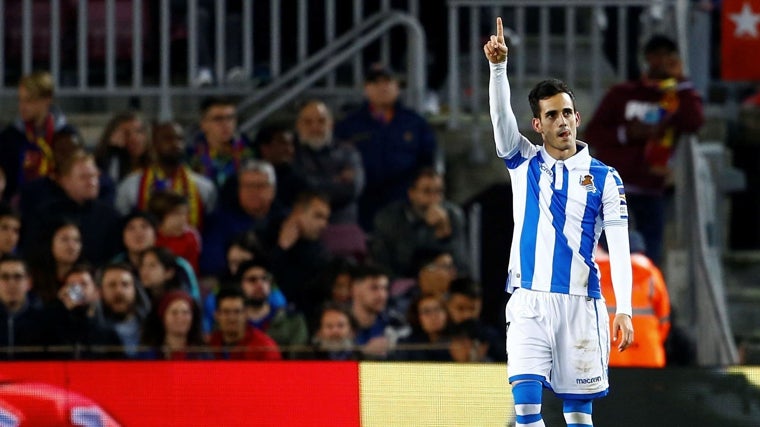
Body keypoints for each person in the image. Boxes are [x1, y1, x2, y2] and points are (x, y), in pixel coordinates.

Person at [484, 17, 633, 426]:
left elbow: (620, 247)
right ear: (538, 124)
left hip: (582, 305)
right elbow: (500, 123)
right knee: (526, 403)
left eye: (567, 112)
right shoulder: (524, 163)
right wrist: (499, 69)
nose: (562, 121)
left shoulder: (604, 177)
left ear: (577, 117)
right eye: (552, 115)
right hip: (530, 300)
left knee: (578, 416)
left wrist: (625, 308)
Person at [584, 34, 704, 266]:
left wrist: (682, 82)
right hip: (616, 186)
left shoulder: (676, 99)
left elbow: (694, 122)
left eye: (669, 55)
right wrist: (626, 134)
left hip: (652, 187)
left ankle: (644, 298)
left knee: (650, 254)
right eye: (657, 55)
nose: (663, 61)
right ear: (648, 58)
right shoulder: (623, 93)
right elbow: (593, 134)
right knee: (608, 251)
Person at [334, 64, 438, 231]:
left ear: (397, 87)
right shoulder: (349, 125)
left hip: (405, 202)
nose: (382, 87)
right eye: (375, 82)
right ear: (366, 88)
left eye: (387, 81)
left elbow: (428, 160)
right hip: (363, 203)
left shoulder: (415, 123)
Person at [115, 121, 217, 230]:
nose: (176, 144)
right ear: (154, 144)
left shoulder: (204, 186)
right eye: (168, 139)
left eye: (180, 139)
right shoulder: (131, 185)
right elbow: (122, 225)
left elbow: (211, 228)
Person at [371, 167, 469, 278]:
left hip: (443, 284)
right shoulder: (388, 218)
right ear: (411, 193)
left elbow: (461, 267)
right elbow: (387, 266)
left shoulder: (453, 215)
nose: (434, 199)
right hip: (402, 283)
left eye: (439, 192)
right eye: (427, 192)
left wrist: (444, 232)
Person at [0, 70, 78, 203]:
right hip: (18, 208)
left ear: (47, 100)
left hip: (58, 206)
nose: (22, 107)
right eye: (20, 100)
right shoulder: (10, 136)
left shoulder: (66, 135)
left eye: (29, 100)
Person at [200, 159, 288, 277]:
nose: (253, 192)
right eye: (247, 186)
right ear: (239, 189)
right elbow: (210, 264)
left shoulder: (286, 219)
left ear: (272, 190)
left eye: (260, 186)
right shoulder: (220, 220)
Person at [597, 230, 671, 368]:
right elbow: (664, 321)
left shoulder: (589, 274)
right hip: (647, 358)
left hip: (601, 360)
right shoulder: (651, 275)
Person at [294, 99, 365, 225]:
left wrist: (312, 182)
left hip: (341, 225)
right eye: (308, 122)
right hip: (300, 226)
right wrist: (334, 181)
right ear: (299, 125)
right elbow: (295, 188)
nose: (315, 127)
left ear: (330, 124)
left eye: (321, 121)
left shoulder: (348, 153)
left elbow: (352, 190)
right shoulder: (290, 154)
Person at [269, 190, 332, 315]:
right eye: (318, 216)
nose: (324, 225)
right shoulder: (268, 235)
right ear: (297, 212)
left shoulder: (320, 254)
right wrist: (282, 248)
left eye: (326, 219)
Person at [234, 258, 308, 359]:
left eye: (265, 279)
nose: (260, 284)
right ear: (240, 285)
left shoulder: (292, 321)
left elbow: (298, 361)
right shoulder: (229, 321)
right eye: (252, 280)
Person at [187, 97, 254, 190]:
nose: (226, 124)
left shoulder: (251, 154)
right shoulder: (190, 156)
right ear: (203, 124)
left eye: (230, 118)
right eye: (218, 119)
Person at [349, 263, 409, 360]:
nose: (382, 295)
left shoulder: (396, 322)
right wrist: (364, 353)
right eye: (374, 288)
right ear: (355, 289)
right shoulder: (337, 321)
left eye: (384, 289)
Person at [208, 286, 282, 360]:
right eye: (226, 312)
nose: (231, 318)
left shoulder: (264, 348)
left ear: (246, 314)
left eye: (237, 312)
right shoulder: (209, 345)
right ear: (216, 315)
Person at [97, 262, 152, 358]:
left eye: (125, 284)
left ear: (135, 290)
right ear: (100, 292)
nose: (119, 290)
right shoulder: (93, 329)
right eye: (112, 285)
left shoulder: (151, 326)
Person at [0, 254, 48, 359]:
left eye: (17, 277)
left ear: (29, 283)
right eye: (4, 277)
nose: (11, 283)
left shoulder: (45, 321)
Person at [139, 290, 209, 360]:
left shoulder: (202, 355)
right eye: (174, 312)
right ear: (163, 317)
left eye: (185, 312)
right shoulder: (147, 354)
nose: (179, 317)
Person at [254, 123, 309, 209]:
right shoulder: (248, 176)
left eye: (291, 144)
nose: (290, 150)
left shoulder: (297, 178)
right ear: (265, 148)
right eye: (283, 143)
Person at [148, 190, 202, 274]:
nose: (183, 219)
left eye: (185, 214)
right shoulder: (148, 236)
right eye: (176, 214)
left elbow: (191, 272)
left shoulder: (190, 237)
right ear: (159, 216)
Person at [94, 111, 150, 184]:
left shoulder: (156, 165)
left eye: (139, 131)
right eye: (126, 134)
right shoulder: (100, 164)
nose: (135, 139)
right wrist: (112, 151)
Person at [395, 294, 451, 362]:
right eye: (426, 312)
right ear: (417, 318)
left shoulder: (456, 342)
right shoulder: (407, 345)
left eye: (438, 309)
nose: (434, 316)